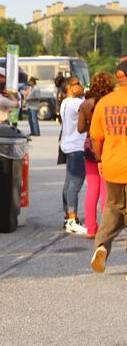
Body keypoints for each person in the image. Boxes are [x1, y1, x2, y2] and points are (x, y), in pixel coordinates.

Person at [90, 60, 127, 275]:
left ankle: (102, 245)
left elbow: (96, 138)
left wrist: (101, 159)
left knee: (113, 208)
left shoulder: (105, 103)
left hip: (113, 165)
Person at [77, 72, 117, 238]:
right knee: (105, 190)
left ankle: (91, 229)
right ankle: (106, 229)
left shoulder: (85, 104)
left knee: (92, 189)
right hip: (106, 147)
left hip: (89, 147)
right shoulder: (110, 104)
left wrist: (91, 127)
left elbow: (80, 128)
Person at [58, 78, 88, 235]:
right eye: (77, 83)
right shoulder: (76, 103)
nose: (81, 86)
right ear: (70, 87)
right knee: (75, 185)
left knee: (69, 184)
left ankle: (67, 217)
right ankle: (72, 220)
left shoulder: (65, 102)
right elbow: (90, 109)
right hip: (77, 147)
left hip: (68, 146)